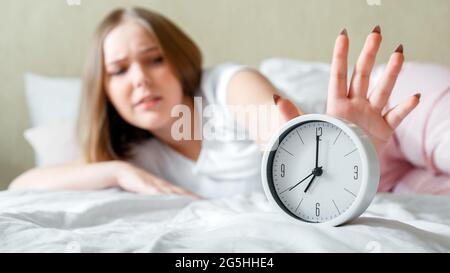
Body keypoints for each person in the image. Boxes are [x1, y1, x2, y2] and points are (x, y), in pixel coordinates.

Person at [9, 7, 422, 198]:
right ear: (104, 89)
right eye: (118, 70)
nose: (139, 79)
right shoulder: (136, 155)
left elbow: (287, 146)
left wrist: (337, 147)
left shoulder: (230, 85)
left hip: (379, 159)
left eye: (155, 59)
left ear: (180, 59)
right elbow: (21, 185)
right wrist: (118, 172)